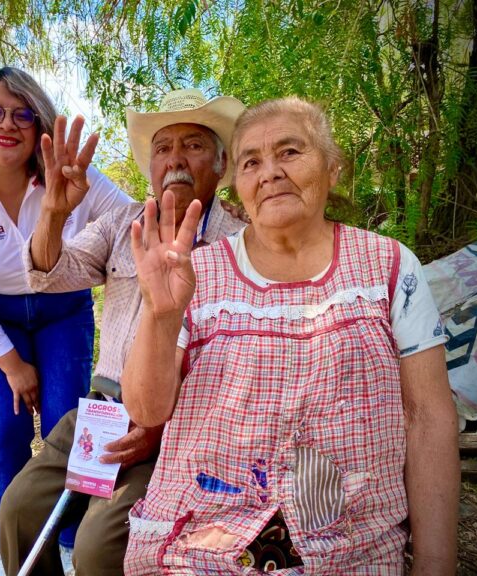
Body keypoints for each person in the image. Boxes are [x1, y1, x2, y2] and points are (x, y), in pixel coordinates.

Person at [121, 96, 458, 575]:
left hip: (351, 543)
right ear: (237, 184)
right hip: (203, 540)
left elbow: (427, 416)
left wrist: (435, 564)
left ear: (334, 167)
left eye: (290, 152)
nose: (270, 172)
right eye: (251, 161)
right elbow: (146, 410)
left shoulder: (389, 267)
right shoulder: (197, 273)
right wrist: (160, 314)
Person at [0, 88, 247, 576]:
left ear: (221, 165)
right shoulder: (122, 222)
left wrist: (159, 428)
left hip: (181, 426)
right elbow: (50, 271)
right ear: (150, 166)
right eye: (162, 148)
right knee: (19, 511)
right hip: (101, 413)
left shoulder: (239, 242)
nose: (175, 159)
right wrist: (53, 211)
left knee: (97, 549)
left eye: (193, 145)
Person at [0, 67, 131, 552]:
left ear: (40, 125)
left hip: (64, 312)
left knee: (68, 429)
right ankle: (15, 547)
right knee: (5, 433)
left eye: (22, 113)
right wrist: (13, 366)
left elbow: (132, 225)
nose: (7, 124)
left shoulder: (75, 178)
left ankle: (68, 541)